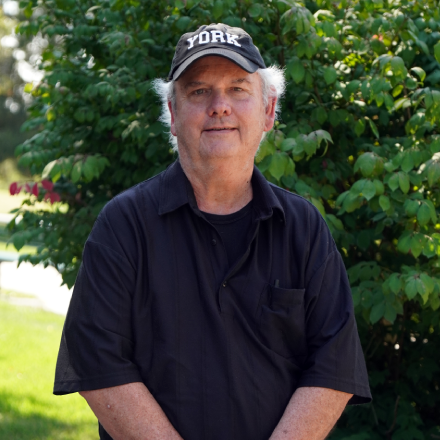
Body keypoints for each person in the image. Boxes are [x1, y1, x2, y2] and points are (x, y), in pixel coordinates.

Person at [54, 23, 371, 440]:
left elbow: (333, 367)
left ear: (268, 111)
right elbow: (98, 365)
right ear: (172, 113)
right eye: (199, 91)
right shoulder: (123, 224)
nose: (219, 106)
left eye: (239, 89)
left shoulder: (303, 229)